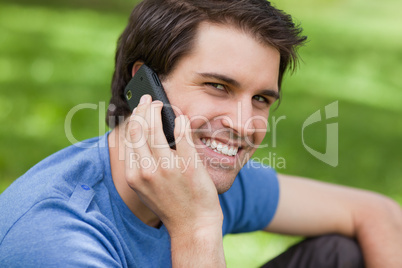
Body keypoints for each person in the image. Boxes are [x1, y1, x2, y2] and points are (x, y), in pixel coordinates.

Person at [0, 0, 401, 267]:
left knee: (340, 255)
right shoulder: (57, 239)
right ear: (145, 86)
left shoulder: (199, 168)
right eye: (218, 87)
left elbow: (377, 213)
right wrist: (196, 227)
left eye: (261, 98)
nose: (244, 125)